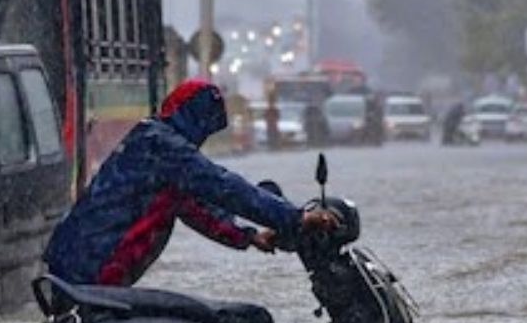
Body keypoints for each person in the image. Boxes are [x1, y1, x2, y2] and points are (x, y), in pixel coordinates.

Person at [43, 78, 336, 287]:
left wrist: (249, 237)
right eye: (206, 126)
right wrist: (295, 217)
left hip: (74, 266)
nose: (204, 138)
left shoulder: (152, 142)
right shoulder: (164, 147)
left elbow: (197, 209)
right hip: (93, 270)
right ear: (194, 118)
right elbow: (225, 187)